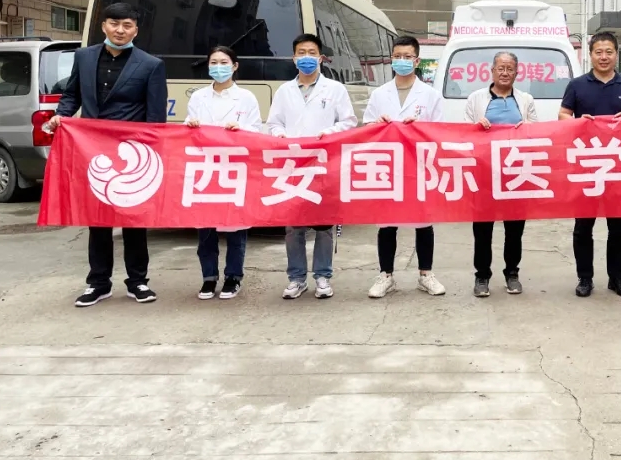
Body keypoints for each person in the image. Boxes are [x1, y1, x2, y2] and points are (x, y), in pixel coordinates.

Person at [45, 2, 168, 308]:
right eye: (114, 24)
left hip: (132, 155)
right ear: (104, 26)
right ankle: (98, 283)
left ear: (135, 30)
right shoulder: (84, 57)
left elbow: (155, 117)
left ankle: (138, 281)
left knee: (133, 220)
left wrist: (152, 154)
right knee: (97, 219)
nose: (120, 30)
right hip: (93, 151)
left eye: (127, 25)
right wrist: (62, 115)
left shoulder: (151, 65)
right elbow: (72, 94)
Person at [268, 33, 357, 300]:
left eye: (311, 53)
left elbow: (349, 122)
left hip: (324, 163)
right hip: (293, 164)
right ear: (294, 58)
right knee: (293, 226)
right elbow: (273, 123)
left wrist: (329, 133)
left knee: (324, 224)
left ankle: (322, 276)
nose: (306, 57)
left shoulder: (335, 89)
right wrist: (280, 135)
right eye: (301, 53)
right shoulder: (284, 91)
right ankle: (296, 278)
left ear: (320, 58)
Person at [559, 31, 621, 298]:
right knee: (583, 227)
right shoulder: (577, 85)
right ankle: (585, 278)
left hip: (618, 168)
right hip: (586, 166)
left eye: (609, 52)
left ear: (616, 54)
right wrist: (577, 122)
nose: (603, 57)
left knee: (618, 228)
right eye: (598, 52)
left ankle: (617, 278)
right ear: (591, 55)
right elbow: (563, 115)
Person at [363, 35, 447, 299]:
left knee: (423, 221)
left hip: (419, 165)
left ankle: (426, 274)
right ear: (391, 59)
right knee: (387, 222)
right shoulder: (379, 94)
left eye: (407, 57)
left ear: (417, 60)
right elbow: (366, 128)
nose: (402, 61)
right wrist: (378, 124)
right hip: (388, 166)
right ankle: (385, 275)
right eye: (397, 56)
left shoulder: (431, 95)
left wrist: (420, 128)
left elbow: (440, 131)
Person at [184, 46, 263, 300]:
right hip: (205, 169)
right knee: (205, 229)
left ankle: (233, 277)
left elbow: (257, 131)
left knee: (235, 229)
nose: (219, 67)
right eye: (214, 62)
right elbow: (187, 130)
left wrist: (241, 128)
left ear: (235, 66)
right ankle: (209, 278)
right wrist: (190, 125)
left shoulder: (246, 97)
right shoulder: (198, 97)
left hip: (234, 168)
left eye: (224, 62)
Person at [465, 51, 539, 297]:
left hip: (516, 173)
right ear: (492, 71)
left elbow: (537, 131)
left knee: (514, 229)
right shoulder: (476, 99)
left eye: (510, 68)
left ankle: (512, 274)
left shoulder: (525, 99)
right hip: (484, 173)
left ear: (517, 73)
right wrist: (477, 127)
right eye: (501, 68)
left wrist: (528, 127)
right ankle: (482, 276)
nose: (505, 73)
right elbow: (463, 132)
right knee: (482, 230)